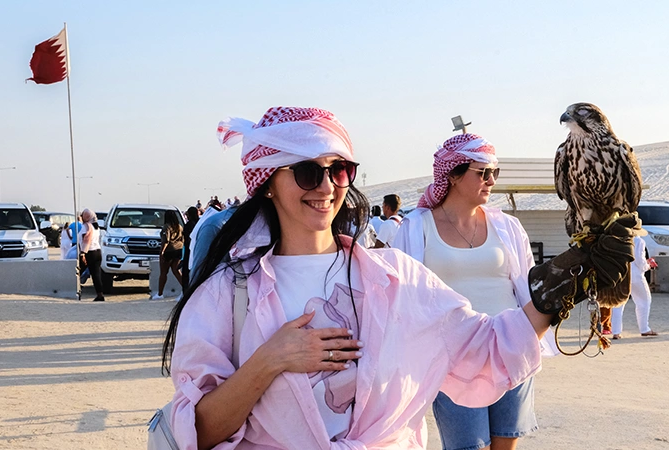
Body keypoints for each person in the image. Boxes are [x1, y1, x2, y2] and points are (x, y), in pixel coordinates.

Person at [158, 106, 607, 449]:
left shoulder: (395, 278)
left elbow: (482, 347)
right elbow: (199, 430)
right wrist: (269, 360)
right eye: (309, 171)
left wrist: (554, 295)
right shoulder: (228, 294)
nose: (327, 187)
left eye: (339, 170)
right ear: (269, 181)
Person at [393, 133, 555, 450]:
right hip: (454, 356)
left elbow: (527, 287)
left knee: (505, 443)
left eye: (495, 172)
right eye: (482, 173)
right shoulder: (416, 227)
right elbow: (404, 299)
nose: (491, 181)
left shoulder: (507, 226)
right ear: (453, 175)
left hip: (511, 345)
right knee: (468, 446)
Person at [612, 235, 658, 339]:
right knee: (644, 301)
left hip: (620, 274)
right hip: (636, 275)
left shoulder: (616, 239)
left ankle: (616, 331)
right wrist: (648, 265)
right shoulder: (638, 241)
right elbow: (640, 262)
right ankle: (644, 328)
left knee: (618, 303)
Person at [151, 210, 184, 300]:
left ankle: (160, 294)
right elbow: (182, 239)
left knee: (163, 272)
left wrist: (162, 252)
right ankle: (185, 289)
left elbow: (166, 241)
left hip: (169, 250)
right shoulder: (179, 227)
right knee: (176, 271)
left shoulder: (166, 227)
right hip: (179, 249)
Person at [78, 209, 104, 302]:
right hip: (98, 252)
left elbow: (86, 240)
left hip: (89, 252)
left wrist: (83, 253)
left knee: (77, 273)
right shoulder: (97, 227)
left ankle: (75, 292)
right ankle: (100, 294)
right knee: (96, 275)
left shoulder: (86, 227)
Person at [182, 206, 201, 292]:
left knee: (186, 273)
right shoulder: (200, 223)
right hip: (197, 250)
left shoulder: (189, 225)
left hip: (189, 250)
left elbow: (188, 239)